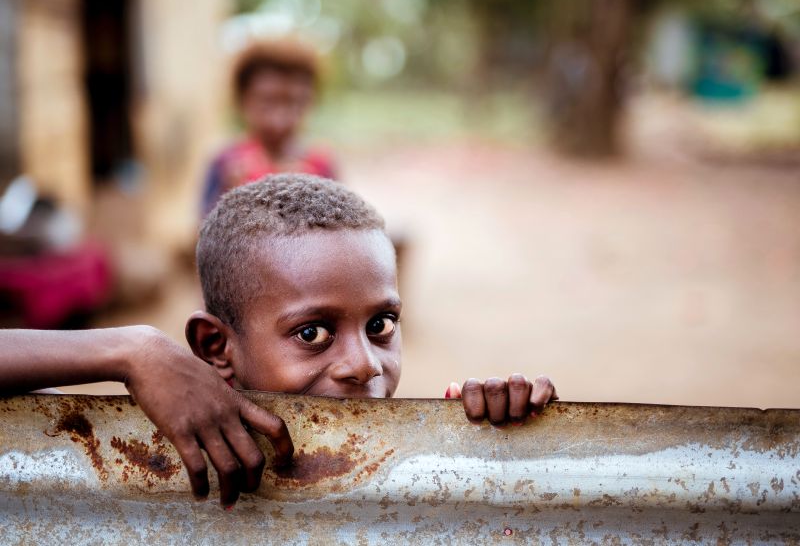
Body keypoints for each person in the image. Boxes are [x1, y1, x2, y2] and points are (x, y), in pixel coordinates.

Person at [0, 174, 557, 507]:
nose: (364, 366)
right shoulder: (154, 445)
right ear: (217, 348)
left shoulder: (420, 456)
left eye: (381, 325)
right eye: (313, 333)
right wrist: (131, 350)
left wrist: (499, 441)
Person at [201, 40, 335, 217]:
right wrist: (231, 199)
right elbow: (203, 235)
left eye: (293, 103)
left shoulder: (321, 166)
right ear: (243, 100)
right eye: (268, 102)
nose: (278, 120)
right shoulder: (226, 164)